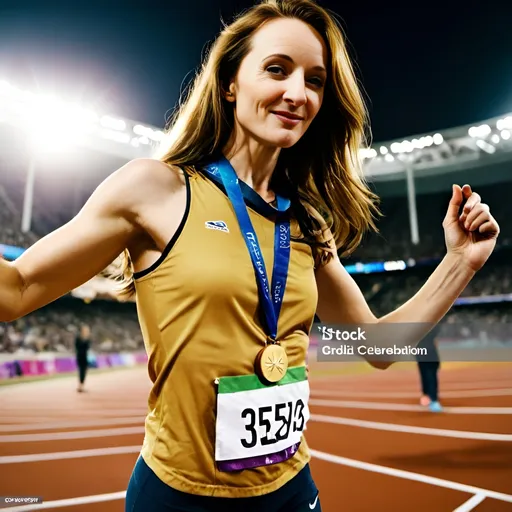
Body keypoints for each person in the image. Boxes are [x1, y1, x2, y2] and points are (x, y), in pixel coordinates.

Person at [0, 0, 500, 510]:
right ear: (230, 83)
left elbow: (375, 346)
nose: (297, 93)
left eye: (316, 80)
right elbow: (15, 290)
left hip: (292, 493)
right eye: (277, 69)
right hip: (179, 496)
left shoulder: (308, 222)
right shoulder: (155, 190)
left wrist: (460, 262)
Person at [416, 322, 442, 412]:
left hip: (425, 354)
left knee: (428, 375)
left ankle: (430, 397)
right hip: (427, 354)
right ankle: (431, 398)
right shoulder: (431, 326)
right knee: (430, 376)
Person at [75, 323, 91, 392]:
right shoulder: (78, 338)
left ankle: (82, 385)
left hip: (85, 356)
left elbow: (88, 348)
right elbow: (77, 347)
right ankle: (80, 386)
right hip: (80, 356)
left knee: (84, 371)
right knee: (81, 371)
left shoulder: (88, 339)